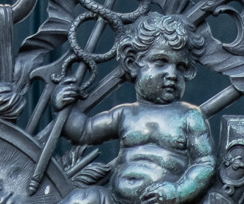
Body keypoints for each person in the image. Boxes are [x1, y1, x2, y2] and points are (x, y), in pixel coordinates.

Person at [53, 13, 215, 204]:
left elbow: (205, 163)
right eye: (161, 62)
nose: (172, 74)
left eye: (180, 67)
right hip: (114, 199)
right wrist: (63, 106)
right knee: (83, 199)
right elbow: (84, 131)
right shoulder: (125, 114)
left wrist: (178, 191)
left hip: (161, 200)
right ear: (132, 64)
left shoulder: (189, 116)